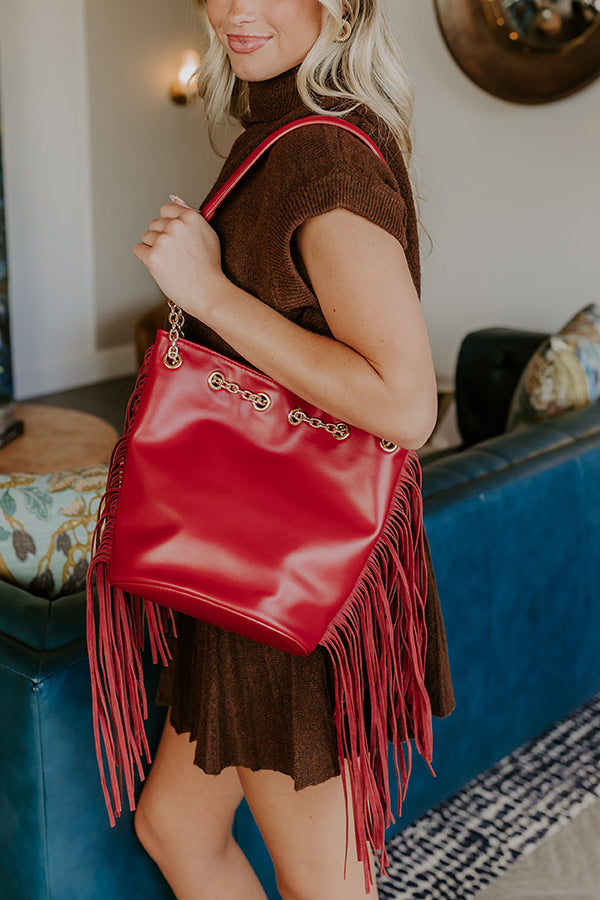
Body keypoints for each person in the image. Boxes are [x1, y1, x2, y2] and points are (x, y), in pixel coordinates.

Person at [131, 2, 455, 898]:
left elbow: (404, 403)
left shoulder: (320, 153)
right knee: (172, 828)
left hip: (290, 580)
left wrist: (208, 290)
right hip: (247, 558)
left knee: (328, 886)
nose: (234, 7)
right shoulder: (279, 129)